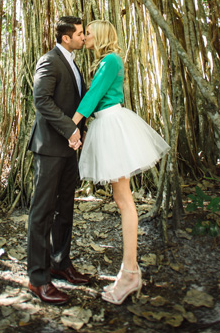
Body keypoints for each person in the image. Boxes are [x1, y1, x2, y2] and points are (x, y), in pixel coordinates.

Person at [70, 19, 170, 305]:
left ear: (99, 35)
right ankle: (129, 271)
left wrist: (71, 126)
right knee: (121, 198)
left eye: (88, 32)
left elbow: (93, 96)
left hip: (113, 126)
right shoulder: (105, 61)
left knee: (125, 201)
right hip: (106, 125)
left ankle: (130, 272)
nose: (85, 36)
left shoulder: (111, 60)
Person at [27, 16, 92, 305]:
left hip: (69, 149)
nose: (83, 37)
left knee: (65, 209)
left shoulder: (73, 62)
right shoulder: (49, 60)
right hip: (51, 147)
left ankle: (60, 262)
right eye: (79, 33)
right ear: (66, 38)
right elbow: (41, 100)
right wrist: (70, 128)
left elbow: (77, 100)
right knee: (42, 212)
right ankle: (38, 279)